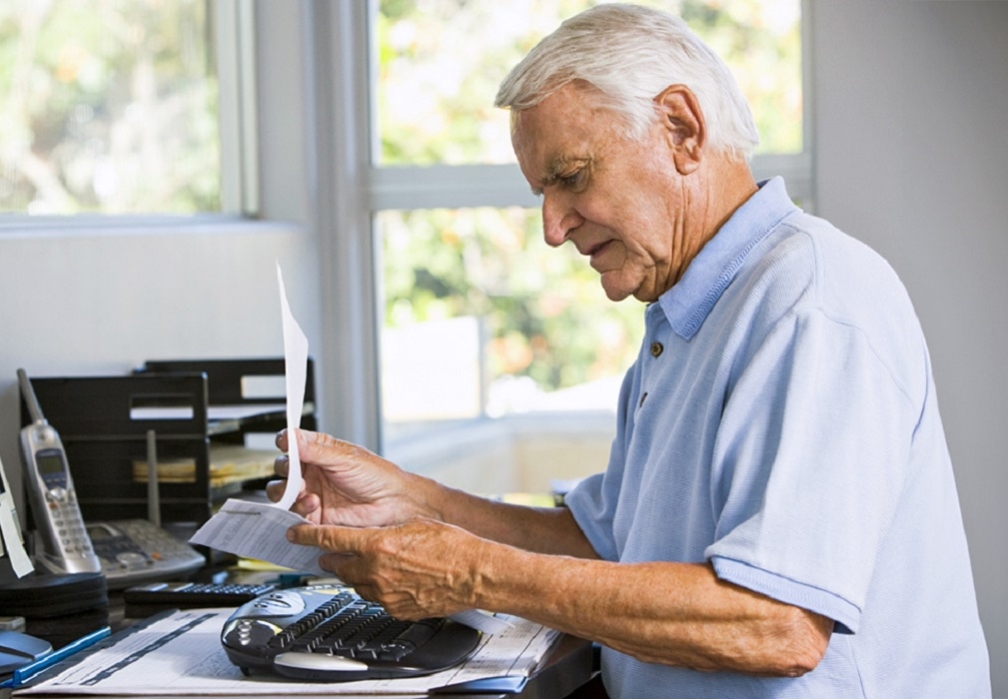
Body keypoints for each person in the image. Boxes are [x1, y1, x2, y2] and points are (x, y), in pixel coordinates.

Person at [268, 4, 992, 697]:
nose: (552, 229)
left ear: (681, 128)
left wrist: (475, 573)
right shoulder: (681, 318)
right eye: (541, 194)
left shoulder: (813, 301)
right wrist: (408, 500)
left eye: (572, 177)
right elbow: (606, 545)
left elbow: (778, 622)